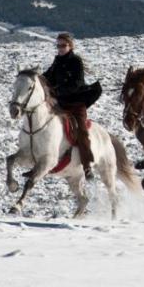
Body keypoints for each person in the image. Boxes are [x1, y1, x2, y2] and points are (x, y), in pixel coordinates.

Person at [43, 32, 102, 180]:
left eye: (63, 45)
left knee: (81, 132)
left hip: (76, 104)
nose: (60, 48)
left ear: (70, 46)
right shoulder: (57, 61)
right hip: (61, 104)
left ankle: (87, 166)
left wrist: (57, 91)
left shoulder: (76, 61)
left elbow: (77, 84)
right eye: (58, 45)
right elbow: (47, 77)